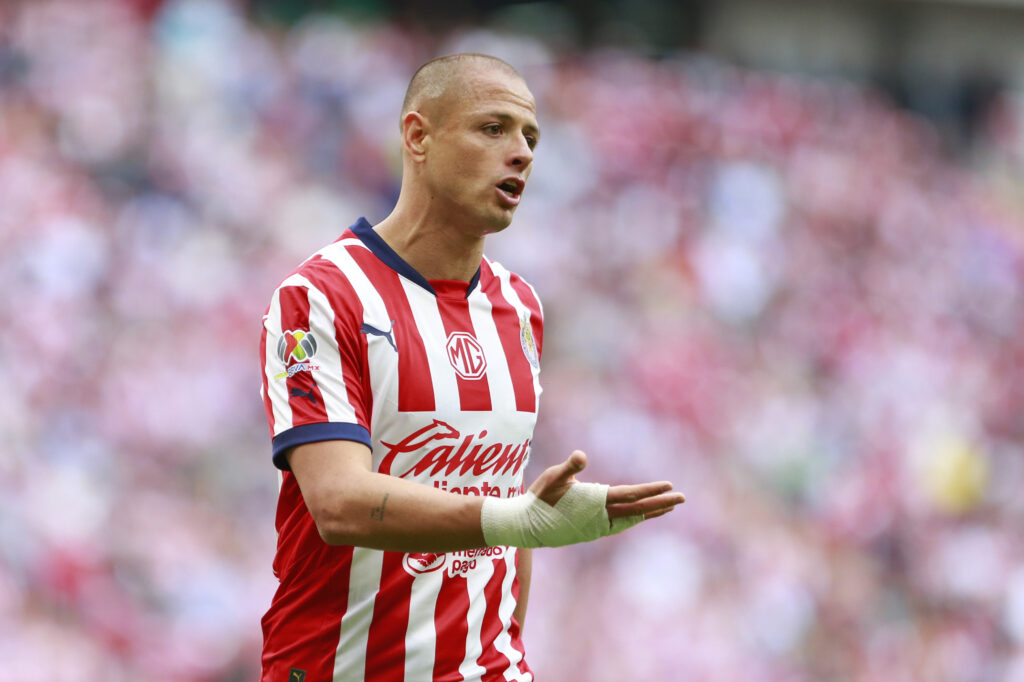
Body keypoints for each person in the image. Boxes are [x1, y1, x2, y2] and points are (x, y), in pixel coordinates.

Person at [258, 53, 686, 682]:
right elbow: (338, 504)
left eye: (531, 137)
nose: (522, 153)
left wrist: (510, 632)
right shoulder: (322, 295)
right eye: (494, 129)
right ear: (417, 136)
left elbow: (517, 506)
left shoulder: (521, 307)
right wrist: (508, 519)